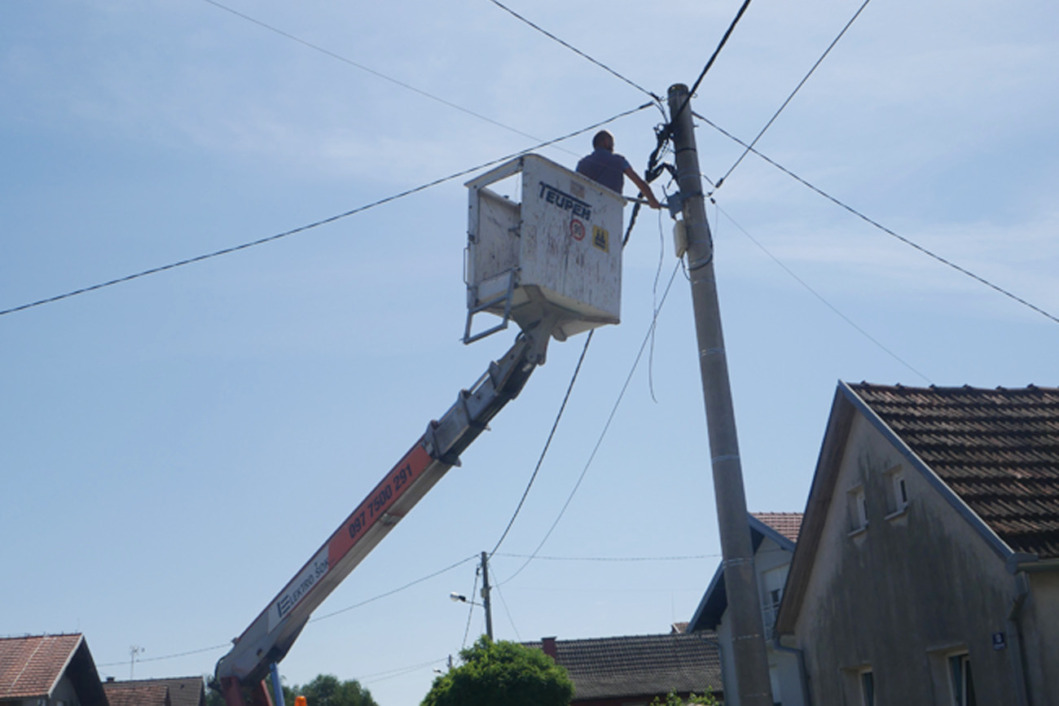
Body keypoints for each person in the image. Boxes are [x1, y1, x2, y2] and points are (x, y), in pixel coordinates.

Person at [576, 130, 661, 209]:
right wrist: (652, 200)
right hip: (610, 208)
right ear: (605, 141)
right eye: (612, 142)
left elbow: (574, 185)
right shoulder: (619, 161)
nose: (613, 146)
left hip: (586, 210)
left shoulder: (582, 163)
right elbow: (639, 182)